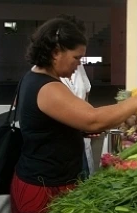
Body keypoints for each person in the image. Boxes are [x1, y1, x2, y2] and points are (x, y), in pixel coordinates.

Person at [11, 17, 137, 213]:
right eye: (76, 57)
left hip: (50, 179)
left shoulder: (39, 79)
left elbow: (60, 123)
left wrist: (79, 130)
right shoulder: (46, 87)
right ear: (56, 52)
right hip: (43, 187)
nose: (78, 64)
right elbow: (92, 119)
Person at [57, 14, 95, 177]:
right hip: (57, 161)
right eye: (76, 57)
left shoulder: (76, 65)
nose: (79, 62)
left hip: (78, 144)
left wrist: (88, 119)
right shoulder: (42, 82)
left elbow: (85, 94)